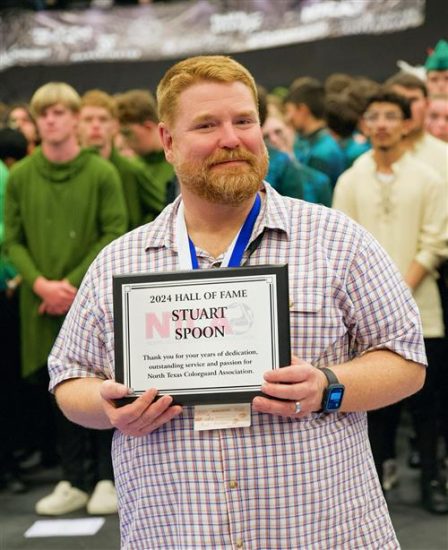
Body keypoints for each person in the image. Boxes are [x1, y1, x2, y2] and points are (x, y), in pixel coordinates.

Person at [48, 56, 426, 549]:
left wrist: (328, 386)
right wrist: (107, 409)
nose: (232, 138)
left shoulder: (336, 241)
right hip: (177, 534)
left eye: (244, 121)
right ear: (167, 141)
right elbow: (68, 378)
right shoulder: (120, 262)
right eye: (207, 124)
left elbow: (407, 359)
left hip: (321, 533)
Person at [4, 82, 128, 515]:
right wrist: (39, 283)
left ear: (76, 118)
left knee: (101, 381)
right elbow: (12, 238)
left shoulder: (102, 173)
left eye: (58, 112)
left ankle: (107, 479)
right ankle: (72, 478)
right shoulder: (20, 176)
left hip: (89, 297)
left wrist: (71, 285)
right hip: (39, 301)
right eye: (43, 114)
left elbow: (115, 231)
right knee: (56, 389)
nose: (50, 120)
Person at [333, 90, 448, 513]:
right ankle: (373, 485)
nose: (381, 123)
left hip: (425, 308)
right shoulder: (350, 179)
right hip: (363, 317)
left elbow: (436, 241)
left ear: (405, 124)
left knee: (428, 407)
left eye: (390, 116)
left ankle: (434, 481)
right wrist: (381, 296)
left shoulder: (430, 178)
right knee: (374, 409)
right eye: (373, 115)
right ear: (364, 125)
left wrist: (398, 291)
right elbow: (339, 245)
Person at [79, 89, 158, 230]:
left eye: (103, 119)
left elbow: (164, 209)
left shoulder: (131, 171)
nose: (95, 125)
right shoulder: (70, 169)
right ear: (77, 124)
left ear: (115, 125)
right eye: (88, 119)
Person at [116, 89, 175, 222]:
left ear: (148, 127)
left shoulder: (178, 164)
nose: (123, 142)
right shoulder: (130, 165)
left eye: (127, 134)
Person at [283, 78, 346, 188]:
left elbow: (312, 195)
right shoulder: (314, 142)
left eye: (289, 111)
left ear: (302, 109)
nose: (287, 118)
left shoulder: (322, 153)